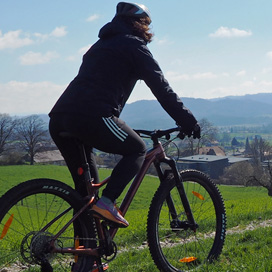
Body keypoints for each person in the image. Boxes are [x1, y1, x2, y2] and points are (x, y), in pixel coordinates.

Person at [49, 2, 200, 228]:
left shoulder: (99, 46)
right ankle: (108, 202)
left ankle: (85, 258)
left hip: (60, 117)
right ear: (140, 24)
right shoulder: (134, 45)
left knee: (86, 198)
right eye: (147, 25)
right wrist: (187, 120)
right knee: (137, 149)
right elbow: (161, 87)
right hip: (93, 116)